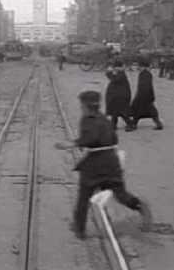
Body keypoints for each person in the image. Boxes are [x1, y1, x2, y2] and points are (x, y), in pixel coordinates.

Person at [55, 91, 152, 239]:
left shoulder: (87, 119)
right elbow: (113, 138)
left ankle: (79, 229)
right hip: (112, 163)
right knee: (120, 194)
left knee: (84, 196)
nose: (81, 108)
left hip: (94, 165)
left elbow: (90, 139)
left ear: (85, 106)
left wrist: (71, 144)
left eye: (82, 105)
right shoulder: (104, 119)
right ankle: (139, 206)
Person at [130, 59, 163, 130]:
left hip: (143, 95)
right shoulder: (147, 74)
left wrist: (139, 95)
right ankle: (158, 123)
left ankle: (134, 124)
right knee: (151, 111)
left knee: (138, 110)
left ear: (143, 67)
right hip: (146, 95)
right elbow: (149, 86)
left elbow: (144, 86)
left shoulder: (144, 74)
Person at [105, 61, 133, 131]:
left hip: (121, 97)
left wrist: (109, 73)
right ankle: (113, 124)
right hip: (117, 96)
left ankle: (129, 124)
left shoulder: (121, 74)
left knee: (122, 112)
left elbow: (114, 79)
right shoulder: (119, 73)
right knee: (115, 111)